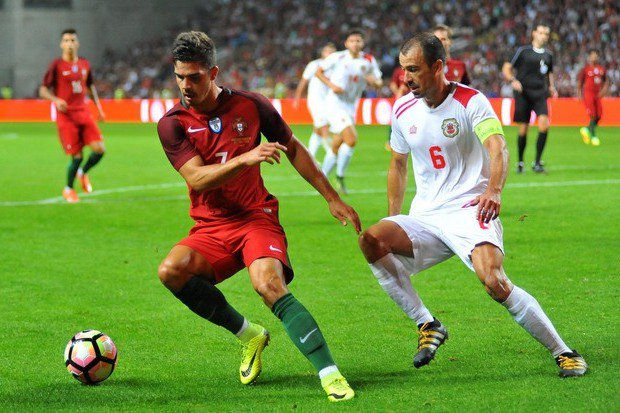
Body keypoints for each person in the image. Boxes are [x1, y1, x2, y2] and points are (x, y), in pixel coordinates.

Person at [358, 33, 587, 378]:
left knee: (493, 280)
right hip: (426, 215)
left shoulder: (471, 101)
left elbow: (498, 146)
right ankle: (427, 324)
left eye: (414, 69)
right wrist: (395, 217)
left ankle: (564, 351)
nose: (406, 78)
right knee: (371, 240)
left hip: (470, 209)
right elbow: (397, 165)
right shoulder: (402, 108)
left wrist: (494, 190)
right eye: (404, 69)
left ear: (437, 66)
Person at [156, 31, 361, 402]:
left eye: (194, 77)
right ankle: (249, 335)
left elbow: (293, 147)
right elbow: (196, 178)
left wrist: (331, 198)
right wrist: (246, 158)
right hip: (211, 225)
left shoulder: (251, 105)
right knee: (171, 271)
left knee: (268, 285)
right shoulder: (173, 123)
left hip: (255, 217)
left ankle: (330, 374)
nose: (185, 85)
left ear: (213, 73)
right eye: (180, 77)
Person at [39, 28, 106, 203]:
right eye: (66, 40)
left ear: (78, 43)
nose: (69, 44)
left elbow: (90, 86)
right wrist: (55, 100)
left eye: (72, 40)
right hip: (66, 115)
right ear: (61, 44)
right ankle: (68, 189)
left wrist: (99, 108)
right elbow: (43, 90)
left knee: (100, 150)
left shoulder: (85, 64)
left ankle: (82, 173)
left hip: (83, 112)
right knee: (77, 156)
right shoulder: (56, 65)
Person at [315, 29, 383, 194]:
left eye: (358, 40)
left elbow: (379, 82)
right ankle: (339, 176)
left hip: (351, 106)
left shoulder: (368, 60)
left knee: (337, 144)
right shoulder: (337, 57)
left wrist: (374, 82)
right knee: (351, 139)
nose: (355, 43)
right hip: (335, 103)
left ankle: (321, 179)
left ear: (363, 43)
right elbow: (318, 72)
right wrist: (332, 86)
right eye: (352, 41)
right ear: (346, 43)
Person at [502, 23, 557, 174]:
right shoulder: (523, 51)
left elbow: (550, 73)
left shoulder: (548, 55)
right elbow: (507, 67)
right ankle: (520, 162)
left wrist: (552, 86)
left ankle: (537, 162)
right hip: (523, 93)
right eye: (541, 32)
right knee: (523, 128)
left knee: (544, 124)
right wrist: (513, 80)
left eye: (546, 33)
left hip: (540, 93)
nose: (543, 36)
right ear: (534, 33)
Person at [293, 43, 336, 158]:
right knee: (324, 128)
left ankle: (309, 156)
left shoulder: (337, 66)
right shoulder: (314, 64)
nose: (330, 54)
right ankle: (332, 156)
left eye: (332, 52)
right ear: (323, 53)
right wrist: (297, 97)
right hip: (316, 101)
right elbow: (304, 81)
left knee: (317, 130)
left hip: (329, 102)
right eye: (327, 51)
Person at [577, 49, 609, 146]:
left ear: (598, 57)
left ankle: (586, 129)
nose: (594, 57)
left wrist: (604, 90)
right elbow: (580, 82)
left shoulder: (601, 69)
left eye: (595, 55)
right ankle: (594, 137)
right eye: (592, 55)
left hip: (598, 94)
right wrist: (579, 94)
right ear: (589, 57)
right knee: (593, 115)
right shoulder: (586, 69)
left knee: (599, 115)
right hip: (588, 93)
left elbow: (606, 81)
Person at [384, 64, 409, 151]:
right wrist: (398, 92)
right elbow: (393, 84)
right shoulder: (398, 71)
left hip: (412, 101)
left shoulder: (413, 70)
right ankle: (390, 141)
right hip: (400, 100)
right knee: (395, 120)